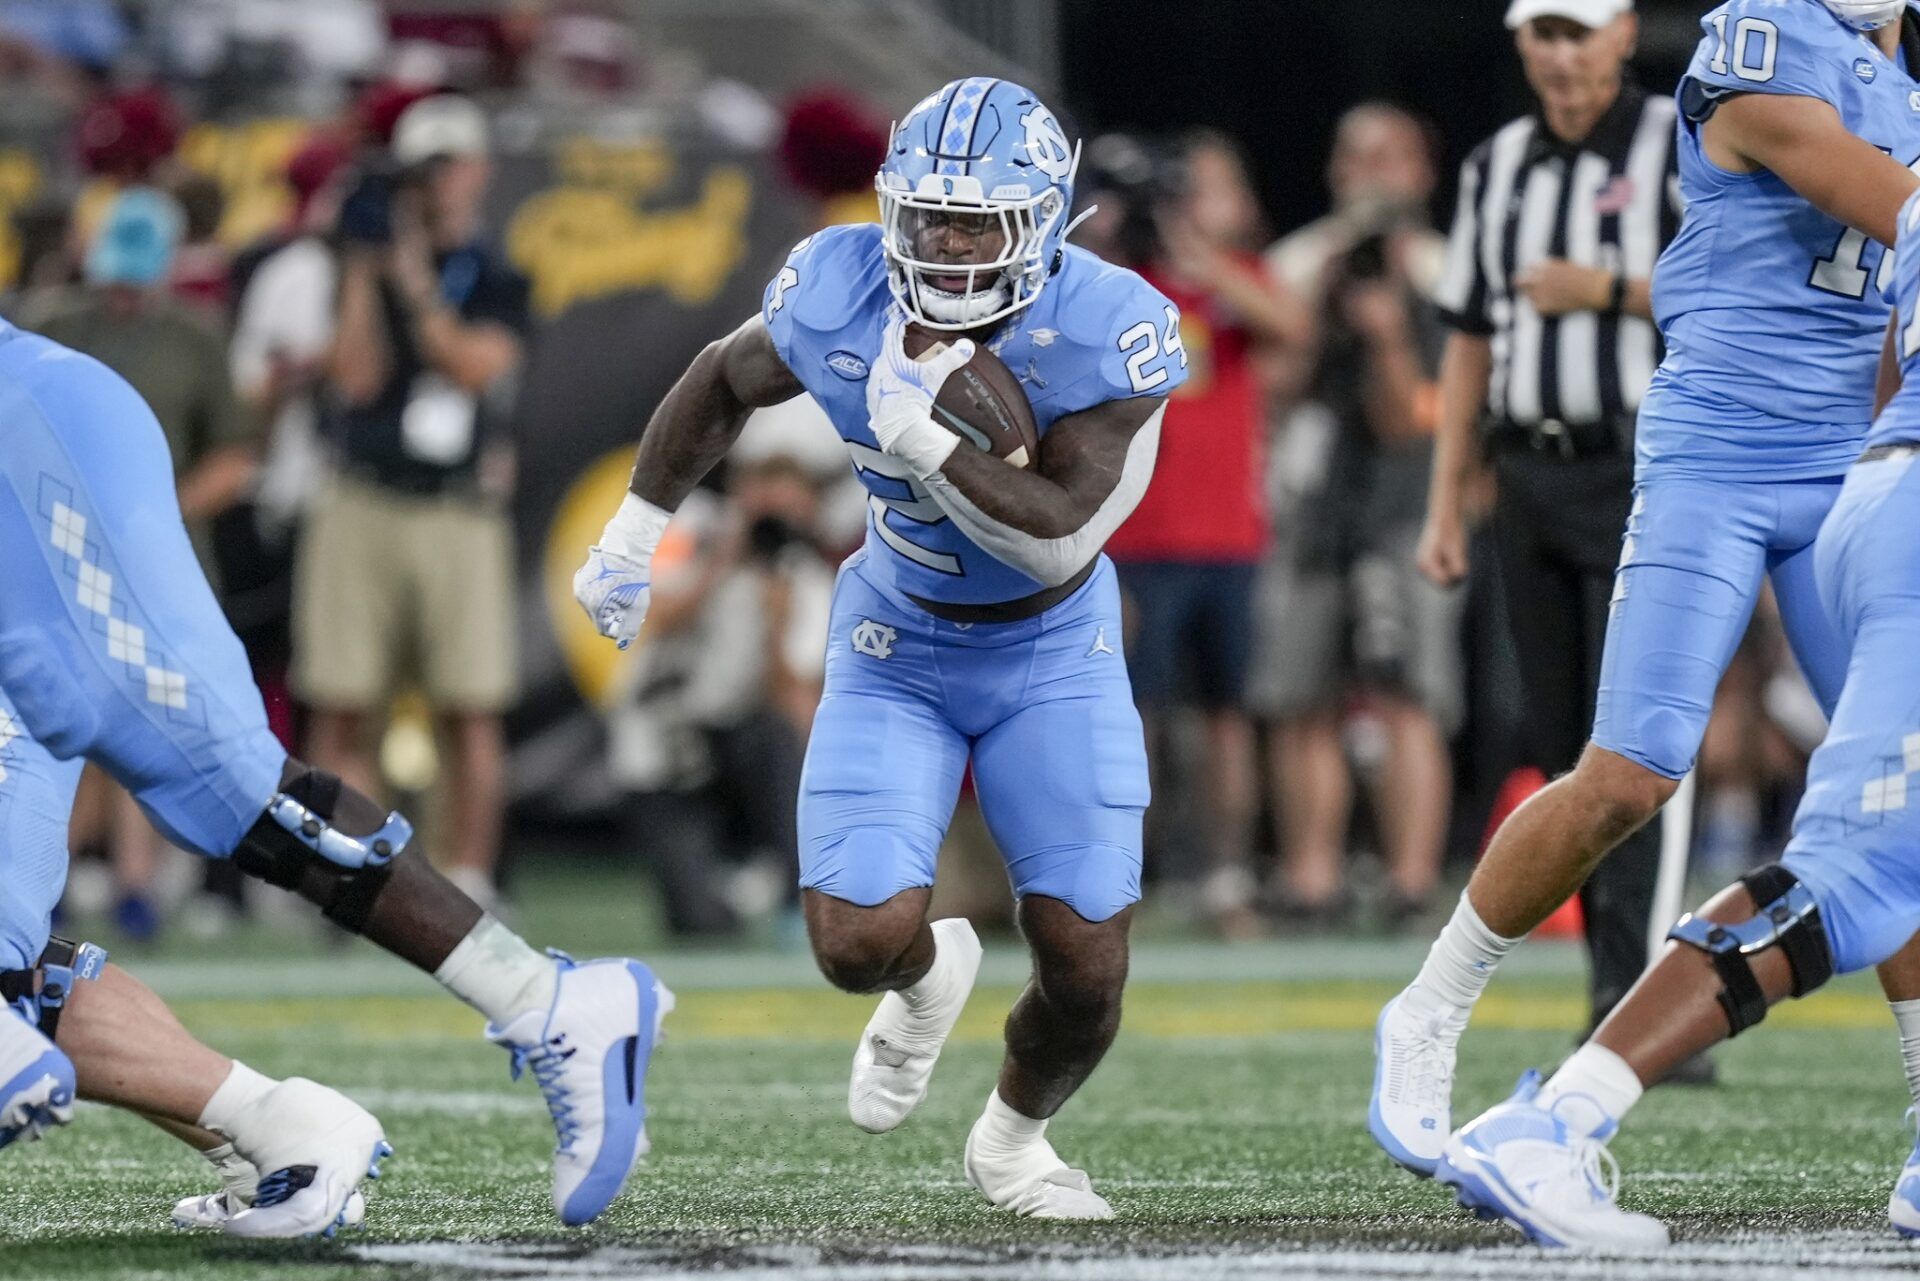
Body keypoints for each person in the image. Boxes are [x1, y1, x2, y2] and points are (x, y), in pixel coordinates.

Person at [575, 78, 1186, 1219]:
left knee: (1087, 969)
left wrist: (922, 441)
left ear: (1045, 219)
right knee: (856, 941)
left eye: (977, 223)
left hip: (1051, 653)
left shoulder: (1113, 325)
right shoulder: (838, 284)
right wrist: (634, 528)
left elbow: (1058, 543)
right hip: (893, 640)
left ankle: (1013, 1139)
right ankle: (924, 978)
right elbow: (722, 375)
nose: (947, 248)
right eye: (927, 218)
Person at [1371, 0, 1920, 1190]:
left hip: (1857, 465)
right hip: (1720, 455)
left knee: (1897, 793)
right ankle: (1432, 1005)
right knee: (1631, 771)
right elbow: (1872, 192)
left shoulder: (1899, 63)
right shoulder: (1757, 39)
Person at [0, 309, 669, 1229]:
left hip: (22, 448)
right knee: (19, 951)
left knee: (218, 780)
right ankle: (278, 1125)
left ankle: (550, 1000)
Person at [294, 93, 527, 908]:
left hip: (455, 508)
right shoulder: (365, 264)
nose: (439, 184)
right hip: (362, 495)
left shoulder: (498, 273)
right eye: (425, 169)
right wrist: (365, 265)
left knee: (469, 705)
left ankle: (467, 876)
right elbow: (355, 376)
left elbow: (471, 365)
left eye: (450, 165)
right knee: (341, 700)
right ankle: (340, 872)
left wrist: (415, 279)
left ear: (479, 170)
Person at [20, 186, 257, 940]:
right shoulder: (55, 325)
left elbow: (234, 456)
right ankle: (43, 880)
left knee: (146, 720)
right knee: (53, 722)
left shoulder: (193, 340)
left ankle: (135, 883)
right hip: (55, 559)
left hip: (157, 563)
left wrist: (153, 509)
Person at [1255, 103, 1460, 925]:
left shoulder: (1452, 269)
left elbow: (1429, 413)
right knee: (1302, 696)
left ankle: (1411, 881)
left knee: (1411, 694)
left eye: (1392, 156)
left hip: (1410, 507)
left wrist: (1385, 332)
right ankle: (1312, 878)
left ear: (1422, 170)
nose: (1373, 174)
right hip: (1313, 505)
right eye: (1358, 156)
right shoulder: (1301, 265)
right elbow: (1265, 389)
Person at [1102, 130, 1300, 934]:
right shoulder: (1125, 283)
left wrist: (1203, 260)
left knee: (1226, 718)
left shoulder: (1236, 281)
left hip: (1227, 538)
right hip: (1138, 536)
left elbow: (1294, 326)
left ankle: (1226, 877)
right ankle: (1121, 876)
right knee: (1131, 717)